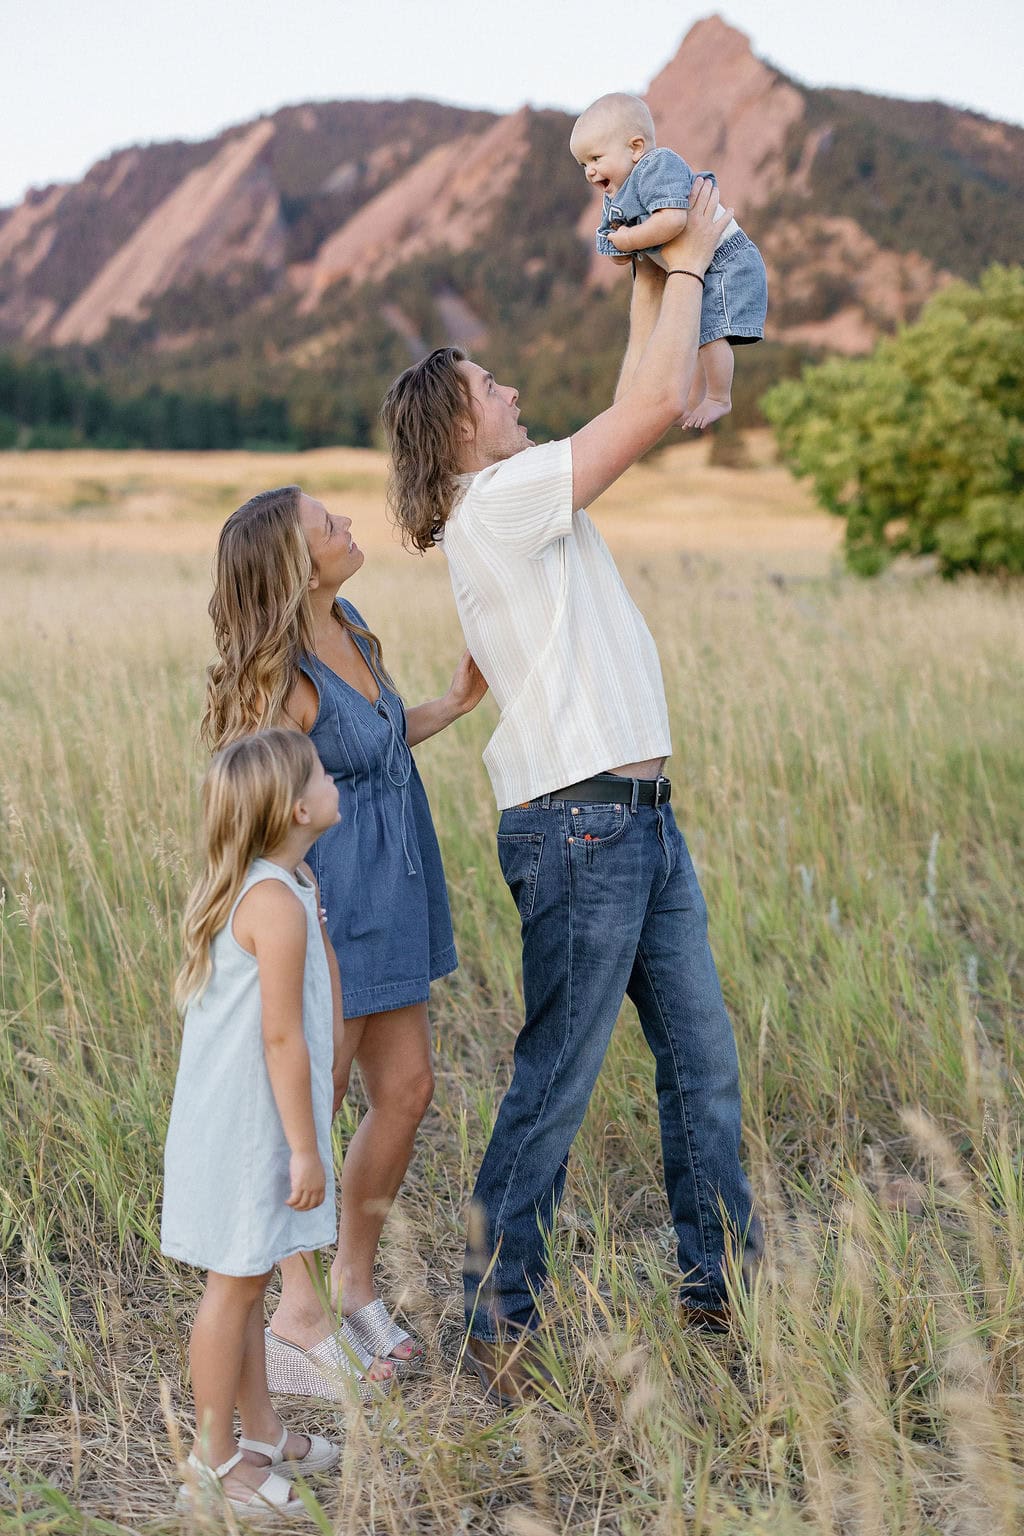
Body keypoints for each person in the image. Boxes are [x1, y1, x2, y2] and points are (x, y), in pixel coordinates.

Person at [381, 176, 762, 1403]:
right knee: (556, 1078)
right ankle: (497, 1325)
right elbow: (649, 404)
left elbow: (631, 389)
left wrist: (652, 267)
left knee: (700, 1064)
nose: (511, 395)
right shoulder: (496, 500)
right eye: (489, 390)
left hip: (635, 822)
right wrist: (694, 248)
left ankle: (722, 1294)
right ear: (455, 433)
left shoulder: (518, 492)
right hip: (583, 823)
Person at [202, 485, 487, 1396]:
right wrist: (298, 924)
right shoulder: (278, 680)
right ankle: (295, 1311)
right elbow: (264, 810)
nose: (349, 527)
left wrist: (449, 702)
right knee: (309, 1111)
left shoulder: (352, 623)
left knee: (407, 1091)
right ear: (294, 563)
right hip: (332, 906)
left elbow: (377, 743)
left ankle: (354, 1281)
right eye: (329, 526)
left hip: (399, 887)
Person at [161, 729, 350, 1517]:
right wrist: (305, 1147)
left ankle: (260, 1432)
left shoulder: (285, 883)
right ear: (298, 806)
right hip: (251, 1133)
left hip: (251, 1123)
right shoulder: (271, 902)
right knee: (232, 1288)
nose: (333, 775)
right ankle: (210, 1465)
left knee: (251, 1271)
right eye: (320, 771)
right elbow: (280, 1036)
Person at [570, 92, 768, 430]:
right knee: (689, 335)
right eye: (584, 165)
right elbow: (617, 252)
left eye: (596, 158)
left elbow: (673, 221)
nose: (590, 171)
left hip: (726, 259)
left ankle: (720, 397)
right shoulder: (615, 193)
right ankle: (685, 399)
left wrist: (631, 238)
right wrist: (621, 245)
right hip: (697, 262)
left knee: (709, 332)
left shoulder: (657, 167)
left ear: (635, 148)